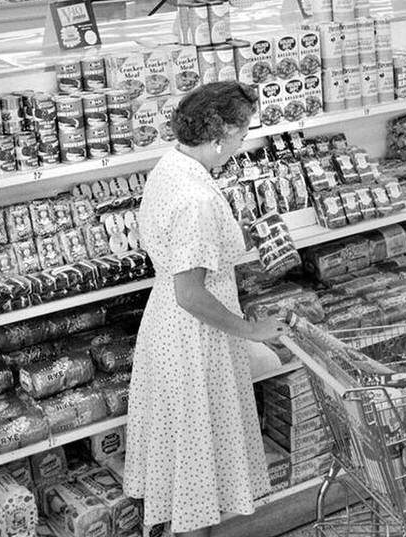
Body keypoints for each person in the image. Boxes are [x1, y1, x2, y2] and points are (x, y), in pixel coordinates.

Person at [124, 82, 286, 537]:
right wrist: (250, 330)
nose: (243, 142)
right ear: (221, 133)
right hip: (194, 342)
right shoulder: (194, 198)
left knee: (185, 462)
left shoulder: (171, 166)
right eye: (243, 132)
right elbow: (191, 293)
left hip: (168, 331)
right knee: (196, 471)